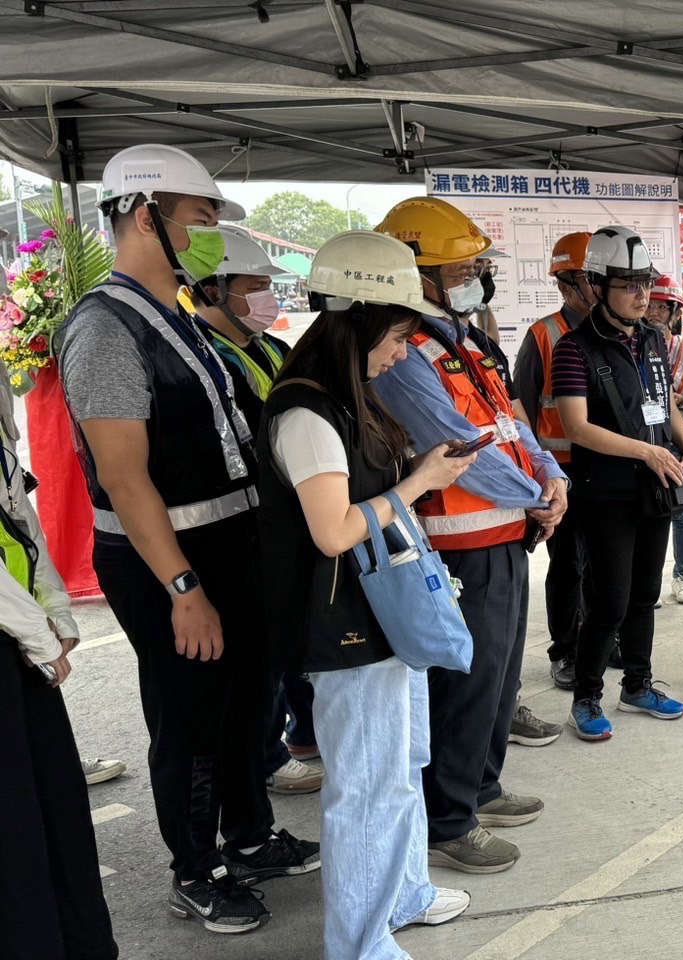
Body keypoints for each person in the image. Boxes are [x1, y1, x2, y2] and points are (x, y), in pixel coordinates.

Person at [57, 143, 317, 935]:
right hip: (167, 561)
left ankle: (245, 835)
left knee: (243, 706)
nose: (210, 237)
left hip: (230, 545)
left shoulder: (173, 317)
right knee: (191, 713)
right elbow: (126, 478)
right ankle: (194, 868)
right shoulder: (103, 329)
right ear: (147, 216)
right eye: (201, 220)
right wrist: (182, 589)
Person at [258, 230, 473, 960]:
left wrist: (417, 469)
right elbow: (333, 530)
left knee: (401, 763)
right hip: (345, 630)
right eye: (399, 333)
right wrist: (418, 486)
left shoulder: (348, 402)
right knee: (365, 787)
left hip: (379, 620)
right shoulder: (307, 414)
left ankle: (403, 892)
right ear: (358, 320)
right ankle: (358, 942)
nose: (404, 350)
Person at [371, 197, 567, 874]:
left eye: (478, 265)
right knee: (465, 683)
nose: (476, 276)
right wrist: (535, 497)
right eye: (464, 267)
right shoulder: (404, 356)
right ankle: (448, 819)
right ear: (416, 273)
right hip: (457, 545)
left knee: (499, 678)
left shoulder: (466, 340)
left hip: (506, 534)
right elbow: (456, 449)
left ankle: (481, 786)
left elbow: (510, 424)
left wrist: (547, 478)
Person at [553, 226, 683, 740]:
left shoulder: (654, 340)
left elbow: (667, 406)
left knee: (644, 595)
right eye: (628, 284)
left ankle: (637, 684)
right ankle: (585, 696)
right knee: (609, 599)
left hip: (654, 489)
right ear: (596, 284)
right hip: (606, 492)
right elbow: (576, 427)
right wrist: (648, 451)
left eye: (645, 283)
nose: (643, 295)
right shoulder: (572, 349)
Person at [193, 224, 323, 796]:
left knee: (292, 630)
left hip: (291, 508)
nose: (266, 298)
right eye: (253, 286)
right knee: (261, 650)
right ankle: (268, 756)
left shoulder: (269, 346)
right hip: (247, 517)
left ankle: (301, 734)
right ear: (212, 291)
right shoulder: (205, 356)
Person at [0, 382, 117, 959]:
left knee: (56, 809)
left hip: (19, 640)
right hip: (15, 636)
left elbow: (18, 516)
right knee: (16, 828)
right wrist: (38, 632)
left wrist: (54, 609)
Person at [514, 231, 596, 691]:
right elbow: (521, 412)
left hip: (606, 473)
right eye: (589, 279)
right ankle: (565, 649)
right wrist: (538, 478)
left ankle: (601, 640)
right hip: (561, 478)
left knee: (604, 566)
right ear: (566, 285)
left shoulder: (612, 332)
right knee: (567, 567)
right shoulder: (543, 336)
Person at [648, 273, 683, 605]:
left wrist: (682, 401)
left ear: (675, 313)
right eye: (650, 306)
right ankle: (648, 581)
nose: (653, 313)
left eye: (661, 308)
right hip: (646, 440)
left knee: (682, 510)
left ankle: (682, 576)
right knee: (649, 511)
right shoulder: (634, 345)